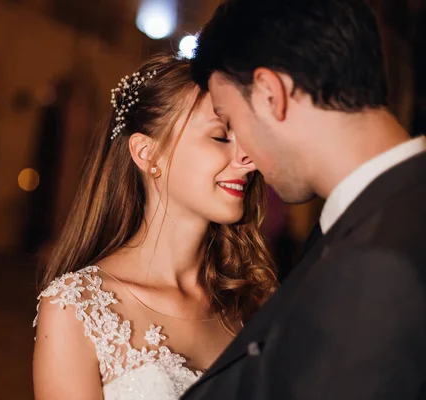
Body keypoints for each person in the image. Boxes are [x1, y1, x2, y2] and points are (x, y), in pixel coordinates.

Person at [183, 0, 426, 399]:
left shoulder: (378, 265)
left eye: (230, 121)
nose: (242, 154)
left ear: (269, 94)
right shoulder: (371, 222)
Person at [32, 54, 278, 400]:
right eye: (222, 137)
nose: (248, 157)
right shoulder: (78, 308)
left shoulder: (254, 302)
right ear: (148, 154)